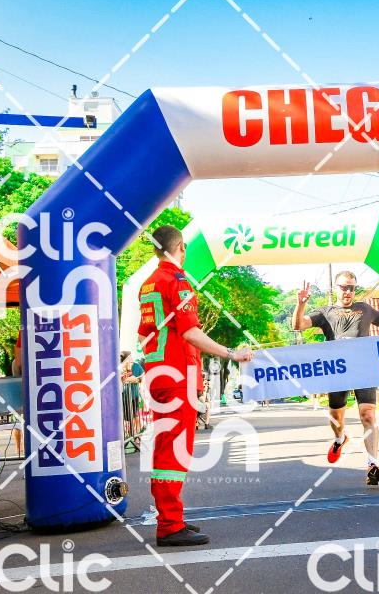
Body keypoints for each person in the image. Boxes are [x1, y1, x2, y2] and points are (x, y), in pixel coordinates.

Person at [138, 225, 252, 547]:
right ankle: (170, 525)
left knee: (166, 448)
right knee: (174, 452)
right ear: (181, 248)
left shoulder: (148, 283)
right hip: (177, 376)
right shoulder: (178, 281)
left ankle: (170, 517)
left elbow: (145, 334)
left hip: (159, 375)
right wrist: (232, 353)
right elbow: (190, 332)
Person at [292, 271, 379, 486]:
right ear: (335, 288)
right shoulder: (325, 312)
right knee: (336, 418)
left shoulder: (365, 309)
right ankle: (340, 438)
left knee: (368, 414)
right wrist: (301, 304)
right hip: (338, 372)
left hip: (364, 369)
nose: (348, 291)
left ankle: (372, 464)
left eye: (351, 287)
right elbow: (298, 325)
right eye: (343, 287)